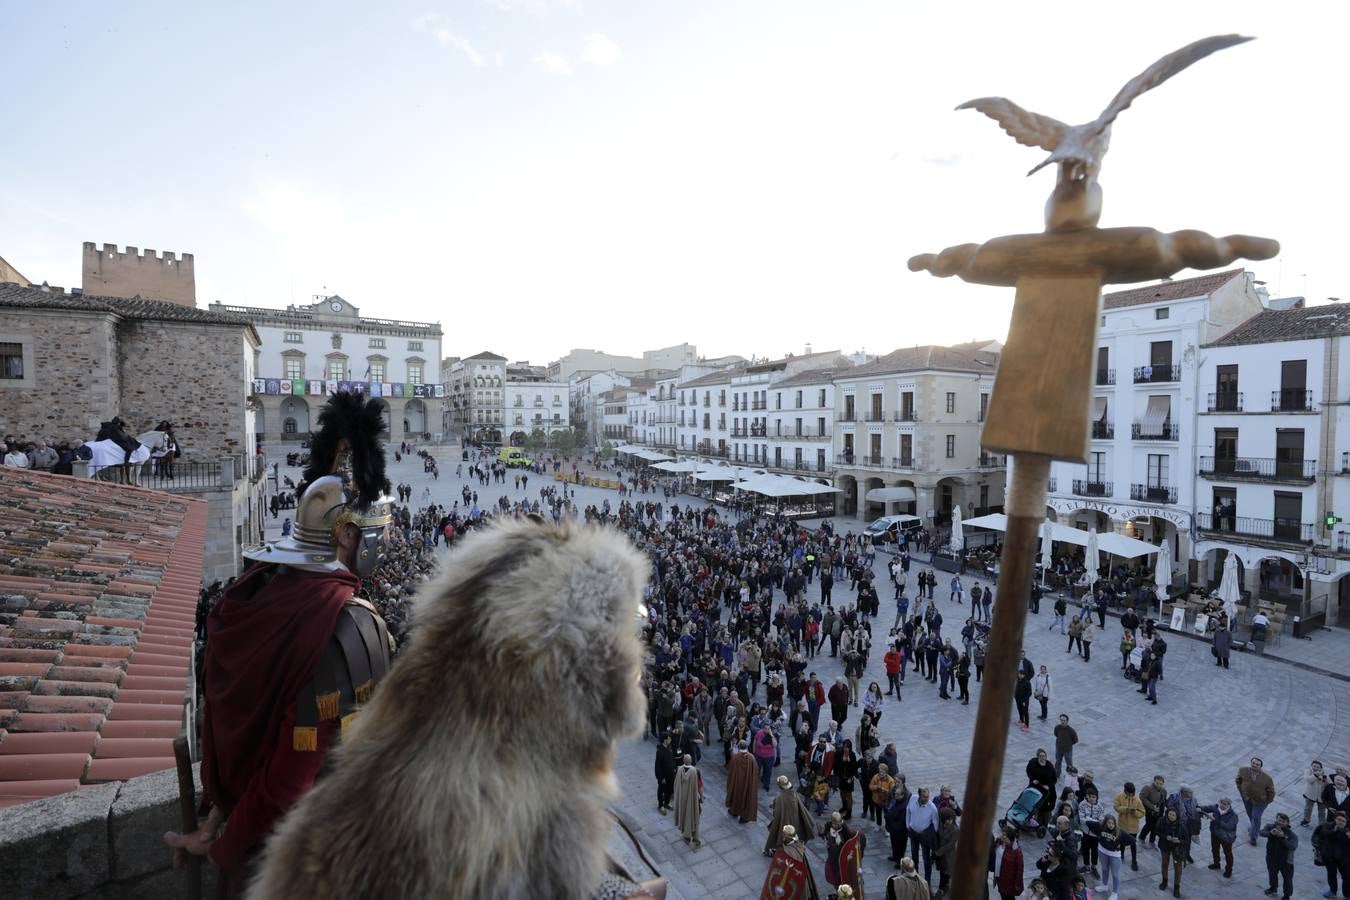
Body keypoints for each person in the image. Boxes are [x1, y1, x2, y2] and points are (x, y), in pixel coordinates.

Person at [163, 392, 395, 896]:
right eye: (375, 533)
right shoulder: (347, 627)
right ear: (349, 536)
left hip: (239, 826)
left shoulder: (251, 590)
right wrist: (225, 846)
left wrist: (219, 810)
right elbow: (292, 779)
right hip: (298, 862)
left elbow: (240, 720)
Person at [766, 774, 817, 856]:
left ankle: (780, 852)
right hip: (795, 820)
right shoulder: (793, 793)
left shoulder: (780, 798)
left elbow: (776, 813)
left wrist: (775, 808)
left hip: (783, 821)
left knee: (779, 835)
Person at [820, 811, 865, 896]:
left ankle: (845, 893)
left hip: (843, 860)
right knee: (833, 878)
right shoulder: (828, 827)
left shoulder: (848, 832)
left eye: (838, 824)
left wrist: (859, 856)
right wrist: (821, 833)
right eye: (835, 824)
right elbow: (825, 836)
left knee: (844, 879)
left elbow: (859, 838)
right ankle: (838, 891)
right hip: (833, 858)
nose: (836, 826)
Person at [1238, 756, 1276, 846]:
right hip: (1247, 798)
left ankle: (1253, 836)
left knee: (1256, 816)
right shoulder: (1243, 770)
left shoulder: (1267, 778)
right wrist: (1241, 791)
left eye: (1257, 764)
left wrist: (1268, 800)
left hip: (1260, 801)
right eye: (1253, 763)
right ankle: (1253, 827)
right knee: (1250, 814)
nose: (1254, 765)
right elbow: (1238, 780)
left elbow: (1271, 791)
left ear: (1260, 766)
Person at [1312, 810, 1350, 899]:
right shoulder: (1327, 826)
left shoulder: (1348, 830)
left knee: (1347, 877)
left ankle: (1347, 894)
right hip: (1330, 858)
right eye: (1339, 820)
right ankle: (1332, 891)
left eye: (1343, 821)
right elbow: (1323, 833)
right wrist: (1334, 831)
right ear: (1335, 819)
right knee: (1331, 875)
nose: (1341, 822)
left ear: (1346, 823)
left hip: (1345, 859)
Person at [907, 787, 940, 888]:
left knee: (926, 858)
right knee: (914, 855)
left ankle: (927, 880)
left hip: (924, 836)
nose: (926, 799)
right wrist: (908, 825)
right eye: (924, 796)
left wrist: (929, 835)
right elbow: (908, 810)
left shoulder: (932, 808)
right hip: (913, 833)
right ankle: (914, 876)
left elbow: (936, 824)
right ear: (919, 795)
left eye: (927, 796)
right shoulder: (912, 798)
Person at [1260, 812, 1297, 900]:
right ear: (1276, 820)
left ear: (1287, 823)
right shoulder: (1270, 827)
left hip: (1286, 861)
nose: (1280, 822)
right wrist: (1270, 833)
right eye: (1279, 820)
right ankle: (1273, 888)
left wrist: (1283, 837)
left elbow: (1293, 846)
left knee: (1287, 879)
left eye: (1283, 821)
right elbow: (1261, 833)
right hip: (1271, 857)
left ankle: (1287, 895)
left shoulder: (1291, 834)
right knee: (1272, 874)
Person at [1199, 796, 1237, 879]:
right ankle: (1216, 864)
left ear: (1229, 805)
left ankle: (1228, 870)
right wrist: (1197, 807)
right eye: (1221, 803)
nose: (1223, 805)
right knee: (1214, 849)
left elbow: (1229, 826)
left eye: (1225, 804)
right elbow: (1205, 808)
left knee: (1228, 853)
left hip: (1226, 837)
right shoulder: (1216, 807)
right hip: (1215, 833)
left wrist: (1215, 820)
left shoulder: (1233, 815)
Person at [673, 753, 704, 848]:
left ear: (683, 761)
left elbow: (675, 785)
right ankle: (696, 838)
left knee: (684, 817)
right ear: (691, 761)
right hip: (693, 800)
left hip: (682, 800)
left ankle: (686, 836)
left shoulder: (678, 770)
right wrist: (701, 798)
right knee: (694, 817)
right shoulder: (696, 771)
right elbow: (700, 787)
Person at [725, 740, 759, 824]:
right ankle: (744, 817)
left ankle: (734, 812)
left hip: (737, 783)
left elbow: (731, 771)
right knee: (747, 797)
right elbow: (755, 771)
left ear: (739, 747)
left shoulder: (735, 757)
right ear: (747, 747)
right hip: (748, 784)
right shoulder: (751, 758)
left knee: (736, 795)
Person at [1157, 806, 1188, 898]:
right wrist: (1165, 837)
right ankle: (1164, 881)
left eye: (1173, 815)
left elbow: (1186, 840)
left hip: (1177, 849)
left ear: (1177, 817)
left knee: (1178, 868)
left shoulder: (1181, 826)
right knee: (1164, 864)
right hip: (1165, 846)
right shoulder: (1162, 821)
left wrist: (1179, 841)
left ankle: (1176, 887)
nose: (1171, 816)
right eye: (1169, 814)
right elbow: (1157, 831)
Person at [1112, 782, 1143, 871]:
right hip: (1123, 825)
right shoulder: (1119, 796)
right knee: (1121, 842)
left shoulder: (1137, 800)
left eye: (1132, 793)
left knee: (1133, 844)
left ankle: (1134, 861)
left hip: (1133, 827)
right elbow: (1116, 806)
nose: (1131, 795)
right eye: (1129, 793)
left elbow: (1142, 812)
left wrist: (1135, 813)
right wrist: (1125, 809)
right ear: (1125, 791)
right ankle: (1121, 855)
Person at [988, 827, 1025, 900]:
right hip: (999, 877)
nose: (1002, 835)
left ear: (1010, 838)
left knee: (1008, 897)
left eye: (1004, 835)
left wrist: (1017, 883)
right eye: (1002, 833)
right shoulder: (999, 842)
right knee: (1003, 895)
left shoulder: (1017, 852)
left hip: (1009, 882)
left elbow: (1020, 870)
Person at [934, 806, 960, 897]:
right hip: (941, 855)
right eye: (947, 819)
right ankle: (946, 887)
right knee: (943, 873)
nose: (949, 821)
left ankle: (941, 890)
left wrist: (937, 853)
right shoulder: (941, 825)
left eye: (951, 819)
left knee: (945, 874)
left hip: (949, 856)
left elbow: (950, 845)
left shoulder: (955, 830)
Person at [655, 732, 678, 814]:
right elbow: (658, 767)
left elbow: (673, 759)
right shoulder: (660, 751)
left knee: (669, 790)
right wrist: (661, 778)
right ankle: (661, 805)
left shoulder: (669, 748)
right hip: (664, 776)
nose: (670, 740)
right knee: (661, 790)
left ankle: (667, 803)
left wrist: (675, 768)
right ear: (665, 740)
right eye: (669, 738)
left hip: (671, 774)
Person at [1303, 759, 1330, 827]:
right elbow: (1309, 780)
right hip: (1310, 795)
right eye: (1314, 766)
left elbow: (1328, 784)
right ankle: (1306, 820)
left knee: (1322, 812)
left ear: (1321, 768)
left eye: (1318, 767)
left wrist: (1324, 779)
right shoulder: (1308, 771)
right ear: (1311, 766)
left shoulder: (1324, 774)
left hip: (1321, 796)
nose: (1315, 768)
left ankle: (1322, 825)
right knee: (1308, 808)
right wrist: (1316, 775)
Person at [1053, 714, 1078, 779]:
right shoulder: (1057, 727)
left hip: (1067, 750)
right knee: (1058, 762)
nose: (1062, 722)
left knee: (1069, 764)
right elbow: (1056, 734)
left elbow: (1075, 740)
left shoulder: (1071, 731)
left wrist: (1068, 744)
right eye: (1061, 720)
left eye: (1064, 720)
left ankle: (1070, 776)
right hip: (1058, 749)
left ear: (1067, 721)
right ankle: (1057, 774)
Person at [1014, 666, 1033, 732]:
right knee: (1019, 709)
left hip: (1024, 700)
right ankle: (1021, 720)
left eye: (1020, 674)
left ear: (1023, 675)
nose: (1018, 675)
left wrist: (1025, 700)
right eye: (1018, 674)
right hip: (1018, 698)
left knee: (1025, 712)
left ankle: (1026, 725)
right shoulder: (1019, 680)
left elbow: (1029, 693)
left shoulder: (1027, 682)